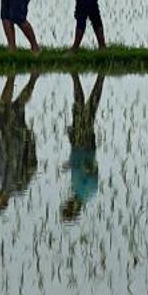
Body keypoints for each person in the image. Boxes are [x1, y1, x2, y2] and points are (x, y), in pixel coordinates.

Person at [0, 71, 40, 211]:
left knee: (5, 106)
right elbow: (31, 166)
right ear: (3, 203)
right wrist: (30, 143)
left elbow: (3, 156)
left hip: (6, 135)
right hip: (16, 138)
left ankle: (14, 77)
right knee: (17, 106)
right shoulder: (18, 187)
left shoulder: (3, 182)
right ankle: (32, 78)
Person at [61, 72, 104, 221]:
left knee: (79, 107)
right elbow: (93, 171)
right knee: (89, 107)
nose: (68, 201)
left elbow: (78, 168)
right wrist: (87, 167)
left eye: (66, 204)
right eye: (68, 205)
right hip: (85, 145)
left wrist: (70, 164)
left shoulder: (77, 191)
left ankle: (76, 77)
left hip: (77, 144)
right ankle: (100, 77)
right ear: (74, 209)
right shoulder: (88, 193)